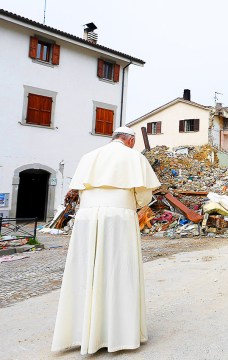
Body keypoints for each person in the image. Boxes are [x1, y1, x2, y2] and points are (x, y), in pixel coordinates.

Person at [51, 126, 161, 355]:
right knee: (119, 270)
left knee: (85, 270)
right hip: (118, 217)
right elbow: (144, 195)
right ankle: (118, 333)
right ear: (130, 141)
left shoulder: (89, 157)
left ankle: (82, 332)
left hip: (87, 218)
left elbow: (79, 190)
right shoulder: (133, 157)